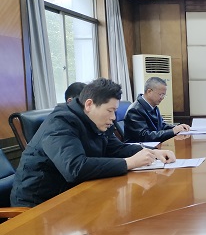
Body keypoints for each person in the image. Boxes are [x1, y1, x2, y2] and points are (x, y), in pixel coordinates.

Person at [10, 78, 176, 208]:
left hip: (74, 195)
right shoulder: (60, 123)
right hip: (39, 204)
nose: (113, 117)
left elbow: (117, 148)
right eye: (110, 111)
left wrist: (152, 153)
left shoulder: (97, 121)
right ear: (89, 104)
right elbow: (75, 168)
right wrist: (129, 163)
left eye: (115, 111)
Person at [124, 77, 190, 142]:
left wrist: (177, 127)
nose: (162, 98)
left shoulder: (153, 106)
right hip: (138, 146)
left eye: (164, 95)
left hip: (153, 144)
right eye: (161, 94)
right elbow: (144, 136)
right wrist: (172, 131)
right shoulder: (135, 110)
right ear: (149, 91)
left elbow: (162, 126)